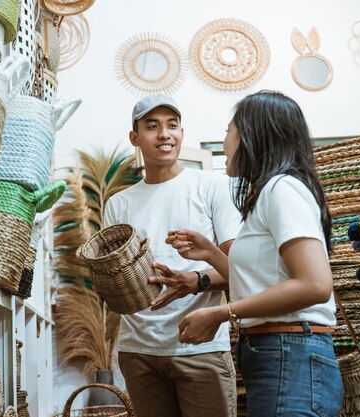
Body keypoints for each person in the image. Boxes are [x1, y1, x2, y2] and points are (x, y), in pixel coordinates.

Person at [170, 90, 343, 417]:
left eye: (228, 132)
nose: (224, 143)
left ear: (252, 136)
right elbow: (261, 286)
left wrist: (222, 313)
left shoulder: (282, 189)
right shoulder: (268, 194)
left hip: (289, 352)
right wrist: (210, 254)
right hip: (276, 352)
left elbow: (315, 284)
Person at [103, 93, 242, 417]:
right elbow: (113, 276)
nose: (164, 134)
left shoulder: (212, 186)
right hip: (137, 350)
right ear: (135, 138)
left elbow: (241, 269)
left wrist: (197, 280)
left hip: (200, 346)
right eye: (152, 126)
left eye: (172, 125)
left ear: (181, 132)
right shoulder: (118, 204)